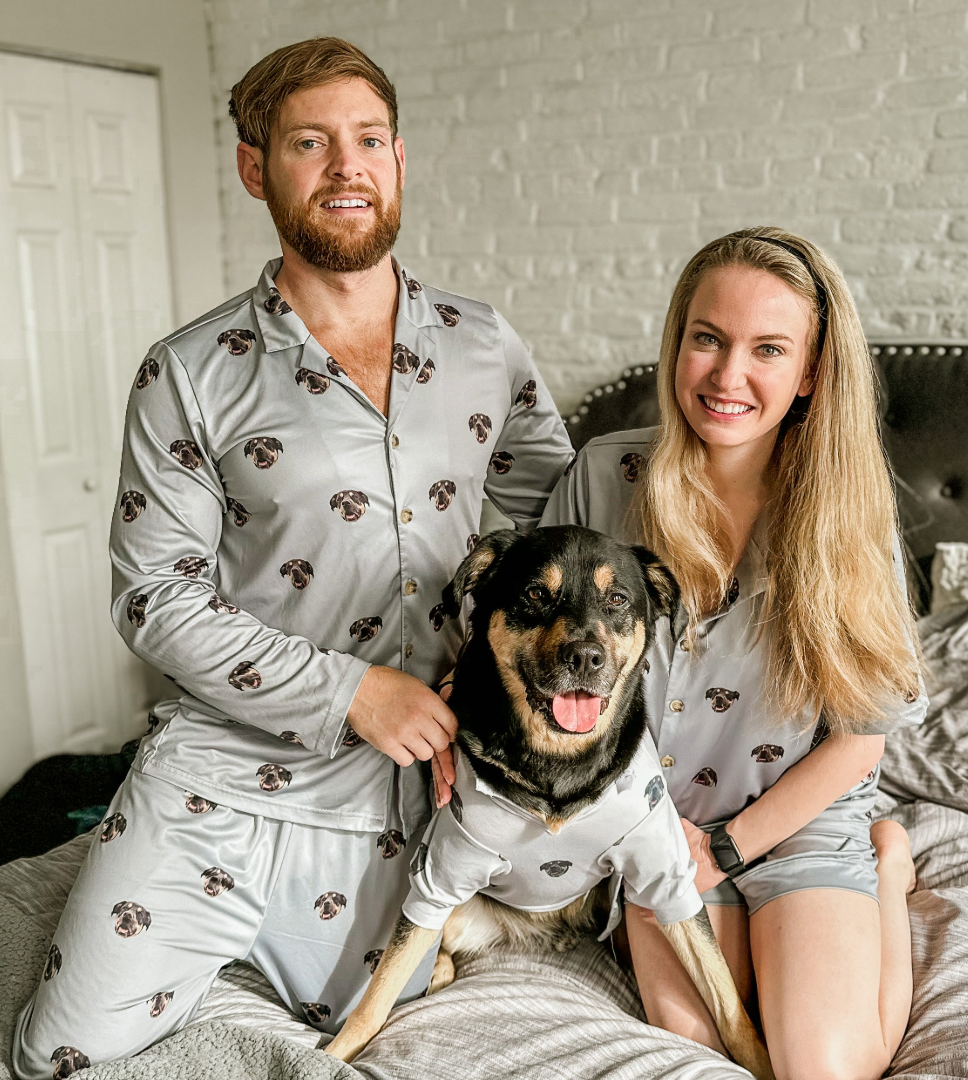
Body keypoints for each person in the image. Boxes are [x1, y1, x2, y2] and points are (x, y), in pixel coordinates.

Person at [12, 36, 572, 1079]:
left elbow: (561, 518)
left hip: (411, 785)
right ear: (255, 166)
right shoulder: (188, 371)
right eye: (310, 144)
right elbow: (154, 598)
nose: (346, 167)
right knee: (58, 1052)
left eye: (368, 141)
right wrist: (353, 689)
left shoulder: (484, 343)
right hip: (220, 770)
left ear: (400, 158)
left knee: (362, 1025)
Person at [542, 227, 928, 1080]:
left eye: (768, 349)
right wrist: (645, 831)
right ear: (677, 340)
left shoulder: (847, 514)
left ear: (810, 375)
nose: (726, 376)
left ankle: (888, 873)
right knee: (700, 1054)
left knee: (821, 1069)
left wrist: (731, 846)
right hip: (657, 825)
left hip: (797, 815)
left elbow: (863, 736)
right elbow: (549, 676)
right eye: (707, 338)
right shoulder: (604, 482)